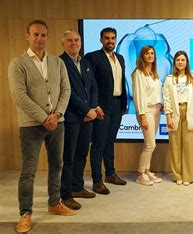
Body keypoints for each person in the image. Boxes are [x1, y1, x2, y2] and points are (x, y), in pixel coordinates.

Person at [8, 20, 74, 233]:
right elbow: (19, 96)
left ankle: (54, 202)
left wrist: (57, 115)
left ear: (48, 37)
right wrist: (45, 117)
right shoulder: (17, 63)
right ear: (27, 36)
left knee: (57, 164)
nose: (40, 39)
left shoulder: (57, 63)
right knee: (28, 171)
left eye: (43, 35)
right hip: (31, 125)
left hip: (58, 123)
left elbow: (66, 90)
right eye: (35, 34)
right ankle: (25, 213)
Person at [85, 27, 128, 195]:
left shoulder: (120, 58)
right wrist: (94, 105)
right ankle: (97, 180)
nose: (110, 41)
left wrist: (124, 104)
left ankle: (110, 174)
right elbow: (89, 84)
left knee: (110, 142)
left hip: (117, 105)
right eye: (107, 38)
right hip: (101, 107)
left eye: (113, 38)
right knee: (98, 144)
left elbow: (121, 83)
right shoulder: (93, 57)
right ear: (101, 40)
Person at [59, 30, 98, 210]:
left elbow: (92, 88)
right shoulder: (60, 63)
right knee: (69, 157)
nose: (74, 43)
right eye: (69, 41)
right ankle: (66, 194)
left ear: (81, 43)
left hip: (87, 118)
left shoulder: (86, 62)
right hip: (71, 118)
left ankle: (77, 187)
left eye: (76, 40)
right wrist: (86, 110)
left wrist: (92, 108)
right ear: (63, 44)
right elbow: (67, 92)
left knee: (82, 154)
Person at [164, 50, 193, 186]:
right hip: (175, 112)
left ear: (186, 63)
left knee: (189, 145)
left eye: (183, 60)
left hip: (189, 111)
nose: (180, 62)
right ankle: (177, 175)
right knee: (175, 145)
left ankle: (188, 175)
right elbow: (167, 99)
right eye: (178, 60)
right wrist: (168, 116)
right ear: (174, 62)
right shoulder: (169, 79)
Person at [132, 45, 163, 186]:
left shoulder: (154, 73)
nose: (150, 55)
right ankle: (140, 174)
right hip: (146, 112)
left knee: (148, 144)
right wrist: (142, 115)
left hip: (156, 111)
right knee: (151, 144)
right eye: (147, 53)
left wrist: (162, 104)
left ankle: (147, 170)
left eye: (152, 53)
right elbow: (138, 96)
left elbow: (157, 93)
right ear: (142, 56)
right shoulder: (139, 73)